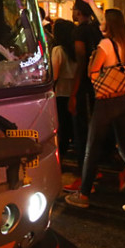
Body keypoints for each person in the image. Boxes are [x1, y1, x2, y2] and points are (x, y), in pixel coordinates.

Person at [64, 9, 125, 214]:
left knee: (92, 148)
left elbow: (93, 72)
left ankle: (83, 195)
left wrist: (94, 58)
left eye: (103, 21)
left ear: (108, 25)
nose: (100, 24)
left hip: (106, 101)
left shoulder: (105, 44)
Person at [62, 0, 103, 193]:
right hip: (99, 86)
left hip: (85, 86)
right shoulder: (96, 29)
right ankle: (95, 169)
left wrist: (74, 92)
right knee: (93, 131)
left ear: (78, 12)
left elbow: (81, 61)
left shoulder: (79, 31)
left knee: (82, 133)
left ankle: (86, 179)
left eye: (74, 10)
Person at [51, 19, 77, 169]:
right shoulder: (74, 49)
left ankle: (60, 157)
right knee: (70, 126)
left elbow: (54, 75)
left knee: (62, 127)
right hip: (73, 91)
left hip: (60, 92)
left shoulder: (58, 50)